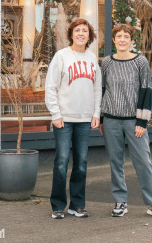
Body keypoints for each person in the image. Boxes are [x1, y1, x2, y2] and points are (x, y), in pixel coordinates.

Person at [100, 24, 152, 219]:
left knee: (143, 161)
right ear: (113, 40)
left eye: (125, 36)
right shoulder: (107, 63)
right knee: (115, 162)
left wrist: (142, 122)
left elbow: (146, 91)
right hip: (111, 120)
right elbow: (103, 91)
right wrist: (103, 119)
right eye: (118, 36)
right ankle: (120, 201)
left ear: (131, 40)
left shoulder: (140, 62)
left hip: (134, 122)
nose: (122, 39)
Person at [45, 18, 101, 219]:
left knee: (81, 162)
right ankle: (58, 205)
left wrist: (96, 114)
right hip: (64, 119)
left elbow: (97, 88)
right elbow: (51, 87)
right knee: (61, 161)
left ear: (89, 36)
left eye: (84, 31)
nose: (81, 33)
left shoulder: (92, 58)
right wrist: (55, 114)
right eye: (77, 30)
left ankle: (76, 205)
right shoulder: (61, 56)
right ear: (71, 34)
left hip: (85, 119)